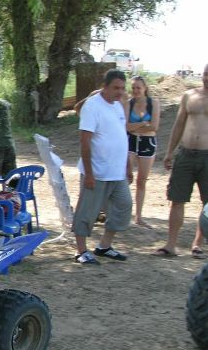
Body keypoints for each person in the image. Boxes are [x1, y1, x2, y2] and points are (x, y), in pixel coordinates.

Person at [72, 69, 132, 264]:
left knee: (123, 206)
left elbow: (123, 137)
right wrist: (89, 173)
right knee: (87, 211)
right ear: (104, 87)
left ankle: (104, 246)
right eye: (116, 88)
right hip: (97, 172)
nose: (120, 92)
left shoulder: (118, 106)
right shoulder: (92, 106)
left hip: (117, 171)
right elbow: (85, 142)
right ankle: (81, 251)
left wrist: (128, 166)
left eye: (122, 88)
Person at [155, 63, 208, 258]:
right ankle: (171, 245)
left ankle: (198, 244)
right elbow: (178, 125)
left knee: (207, 204)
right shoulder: (189, 96)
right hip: (185, 154)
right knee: (176, 199)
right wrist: (169, 152)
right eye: (205, 74)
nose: (207, 78)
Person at [124, 76, 160, 228]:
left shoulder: (154, 103)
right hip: (131, 141)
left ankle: (139, 216)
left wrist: (136, 126)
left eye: (138, 87)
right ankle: (123, 214)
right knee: (126, 177)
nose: (136, 91)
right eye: (133, 88)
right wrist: (143, 123)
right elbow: (126, 126)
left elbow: (154, 127)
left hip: (147, 142)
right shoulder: (128, 104)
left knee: (141, 181)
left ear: (145, 88)